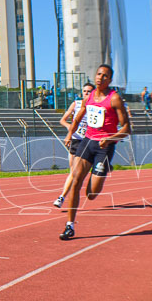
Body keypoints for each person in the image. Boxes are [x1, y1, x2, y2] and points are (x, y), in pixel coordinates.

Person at [58, 64, 131, 241]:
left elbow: (127, 128)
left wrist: (111, 137)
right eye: (98, 74)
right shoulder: (89, 97)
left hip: (104, 146)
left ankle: (102, 169)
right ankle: (70, 226)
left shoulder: (114, 99)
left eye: (105, 76)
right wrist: (69, 134)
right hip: (87, 141)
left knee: (91, 195)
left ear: (110, 80)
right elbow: (77, 118)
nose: (100, 78)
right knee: (75, 181)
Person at [52, 82, 95, 209]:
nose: (86, 93)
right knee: (73, 171)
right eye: (85, 91)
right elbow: (62, 120)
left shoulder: (95, 107)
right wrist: (70, 129)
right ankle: (62, 197)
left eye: (89, 91)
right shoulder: (76, 104)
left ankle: (64, 196)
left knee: (80, 171)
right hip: (76, 140)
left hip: (89, 141)